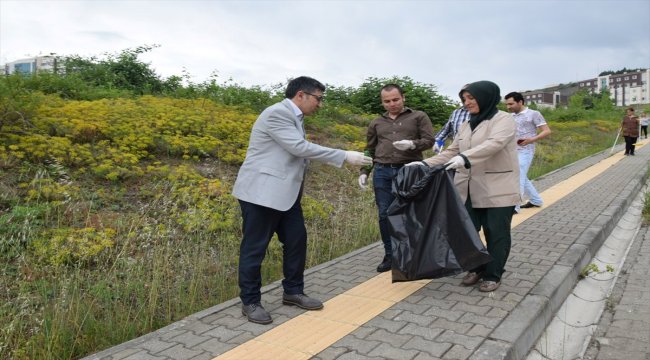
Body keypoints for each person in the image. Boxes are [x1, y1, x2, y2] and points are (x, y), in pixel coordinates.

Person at [232, 76, 372, 324]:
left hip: (285, 195)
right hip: (261, 194)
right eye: (318, 98)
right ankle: (250, 301)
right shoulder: (277, 113)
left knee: (297, 241)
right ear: (301, 95)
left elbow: (299, 151)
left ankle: (293, 292)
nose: (320, 104)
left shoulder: (295, 117)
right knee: (255, 249)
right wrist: (344, 156)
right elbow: (299, 148)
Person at [408, 80, 520, 292]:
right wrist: (424, 163)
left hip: (498, 187)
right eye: (464, 99)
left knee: (496, 233)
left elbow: (494, 144)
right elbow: (452, 151)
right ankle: (476, 267)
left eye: (471, 98)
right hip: (467, 188)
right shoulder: (466, 124)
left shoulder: (503, 120)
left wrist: (464, 158)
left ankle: (493, 274)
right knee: (464, 232)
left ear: (486, 96)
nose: (466, 103)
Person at [358, 84, 435, 273]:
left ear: (403, 98)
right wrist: (364, 171)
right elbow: (370, 148)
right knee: (385, 214)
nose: (391, 104)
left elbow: (429, 140)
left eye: (395, 100)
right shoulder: (376, 122)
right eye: (387, 101)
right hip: (383, 172)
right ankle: (391, 255)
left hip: (409, 171)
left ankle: (415, 255)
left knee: (412, 215)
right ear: (382, 101)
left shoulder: (418, 116)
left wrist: (412, 145)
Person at [504, 92, 551, 213]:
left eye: (511, 104)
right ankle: (536, 200)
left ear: (520, 102)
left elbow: (546, 131)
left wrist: (531, 140)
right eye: (507, 104)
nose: (508, 107)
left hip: (526, 151)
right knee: (522, 176)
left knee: (517, 176)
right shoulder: (510, 116)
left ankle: (515, 207)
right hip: (511, 151)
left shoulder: (534, 114)